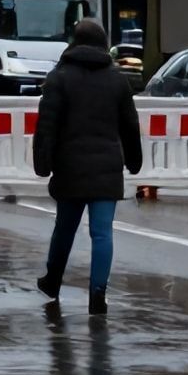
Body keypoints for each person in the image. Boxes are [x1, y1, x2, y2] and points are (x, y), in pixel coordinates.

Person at [33, 19, 141, 316]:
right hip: (107, 167)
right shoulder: (118, 81)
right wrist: (134, 160)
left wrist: (43, 163)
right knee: (103, 233)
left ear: (75, 43)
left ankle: (52, 281)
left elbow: (47, 126)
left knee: (65, 229)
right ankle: (97, 295)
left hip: (70, 167)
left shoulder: (59, 78)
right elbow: (130, 126)